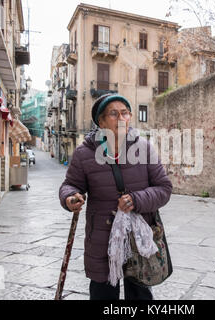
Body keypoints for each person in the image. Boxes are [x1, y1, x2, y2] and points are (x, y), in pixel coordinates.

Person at [59, 93, 172, 300]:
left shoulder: (144, 148)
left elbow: (164, 189)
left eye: (125, 113)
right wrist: (70, 197)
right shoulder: (85, 154)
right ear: (100, 121)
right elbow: (71, 185)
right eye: (113, 113)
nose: (121, 118)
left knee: (140, 293)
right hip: (102, 236)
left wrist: (137, 200)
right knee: (103, 292)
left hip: (138, 236)